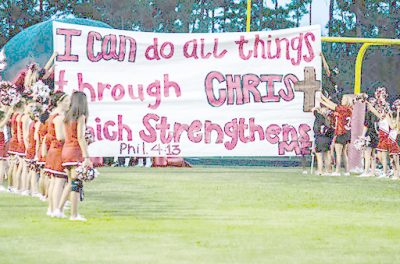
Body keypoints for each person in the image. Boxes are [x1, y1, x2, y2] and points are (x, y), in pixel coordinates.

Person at [54, 91, 89, 221]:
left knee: (70, 182)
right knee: (76, 183)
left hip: (66, 151)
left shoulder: (67, 116)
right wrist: (87, 156)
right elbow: (80, 137)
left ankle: (59, 209)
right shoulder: (80, 117)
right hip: (74, 151)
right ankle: (74, 215)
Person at [42, 91, 70, 216]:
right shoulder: (59, 117)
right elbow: (60, 136)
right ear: (59, 102)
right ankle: (57, 209)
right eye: (66, 101)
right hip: (58, 150)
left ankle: (51, 208)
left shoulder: (51, 115)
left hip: (53, 150)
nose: (69, 103)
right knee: (59, 181)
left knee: (54, 181)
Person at [318, 94, 353, 176]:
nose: (342, 101)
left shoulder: (345, 108)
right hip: (347, 133)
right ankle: (346, 171)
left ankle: (337, 171)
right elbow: (334, 105)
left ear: (348, 101)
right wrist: (324, 99)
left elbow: (333, 107)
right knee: (344, 152)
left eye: (344, 99)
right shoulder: (349, 109)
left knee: (338, 153)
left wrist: (323, 101)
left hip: (341, 132)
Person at [312, 106, 334, 175]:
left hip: (319, 139)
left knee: (319, 157)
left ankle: (321, 171)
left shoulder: (318, 117)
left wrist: (317, 108)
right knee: (326, 157)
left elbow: (313, 109)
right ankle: (328, 171)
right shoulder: (329, 120)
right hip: (327, 139)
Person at [0, 104, 14, 191]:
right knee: (2, 166)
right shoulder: (1, 124)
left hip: (2, 145)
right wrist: (11, 106)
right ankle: (0, 184)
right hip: (1, 146)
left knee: (3, 165)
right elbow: (7, 115)